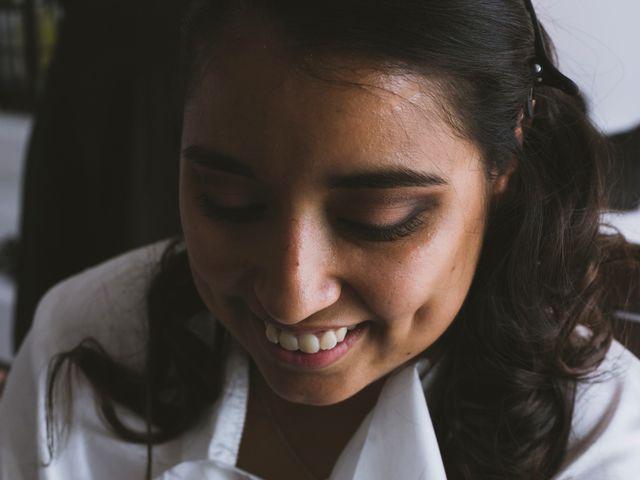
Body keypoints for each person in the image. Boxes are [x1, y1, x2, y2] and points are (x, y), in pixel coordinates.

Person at [1, 1, 639, 479]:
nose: (291, 296)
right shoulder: (80, 343)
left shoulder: (598, 441)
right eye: (230, 204)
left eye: (378, 218)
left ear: (504, 165)